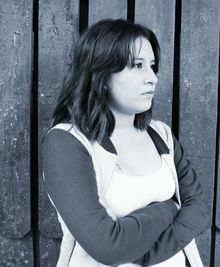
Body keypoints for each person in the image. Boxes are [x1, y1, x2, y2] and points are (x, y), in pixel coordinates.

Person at [42, 19, 209, 267]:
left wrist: (144, 256)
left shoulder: (160, 134)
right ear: (101, 73)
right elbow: (107, 247)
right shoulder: (66, 142)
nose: (151, 78)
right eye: (137, 65)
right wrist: (169, 208)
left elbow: (199, 209)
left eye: (152, 66)